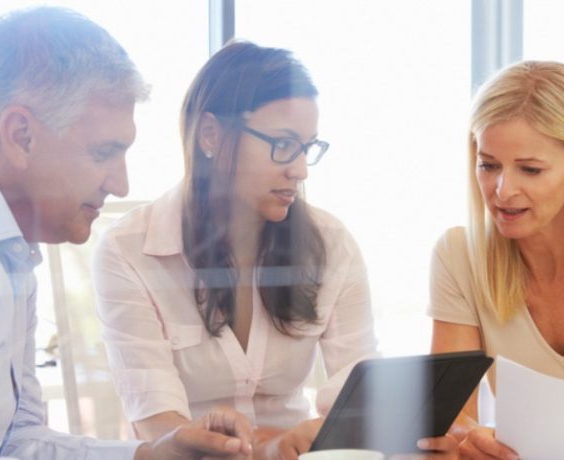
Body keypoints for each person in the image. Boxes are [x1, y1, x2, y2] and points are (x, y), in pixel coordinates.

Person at [0, 7, 253, 459]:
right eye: (104, 152)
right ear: (21, 135)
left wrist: (153, 455)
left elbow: (17, 440)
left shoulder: (7, 245)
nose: (120, 184)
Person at [92, 40, 379, 459]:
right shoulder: (130, 252)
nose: (299, 170)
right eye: (282, 143)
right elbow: (159, 429)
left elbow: (360, 390)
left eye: (306, 148)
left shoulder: (331, 245)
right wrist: (271, 445)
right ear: (211, 133)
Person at [427, 60, 564, 459]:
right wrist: (467, 440)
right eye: (488, 164)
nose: (502, 190)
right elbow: (451, 415)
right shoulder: (459, 255)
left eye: (530, 169)